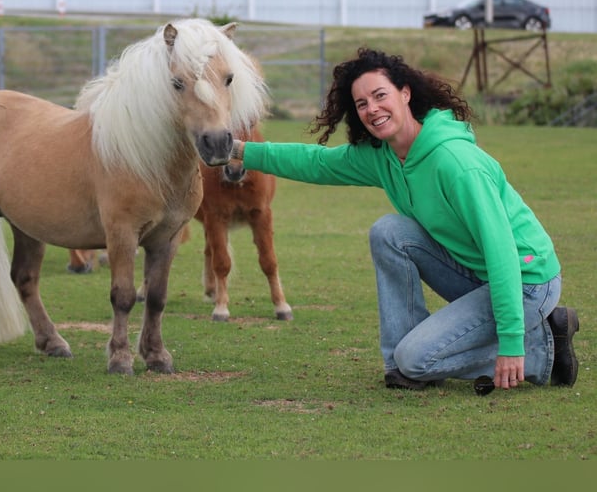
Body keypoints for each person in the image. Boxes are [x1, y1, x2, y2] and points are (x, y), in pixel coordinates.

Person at [229, 47, 579, 392]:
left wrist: (511, 342)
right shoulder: (385, 155)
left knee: (418, 359)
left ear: (405, 93)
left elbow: (501, 249)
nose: (372, 109)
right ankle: (401, 367)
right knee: (389, 232)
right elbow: (316, 162)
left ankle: (541, 349)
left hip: (527, 281)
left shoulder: (454, 163)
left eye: (380, 95)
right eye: (362, 104)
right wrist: (240, 151)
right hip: (477, 274)